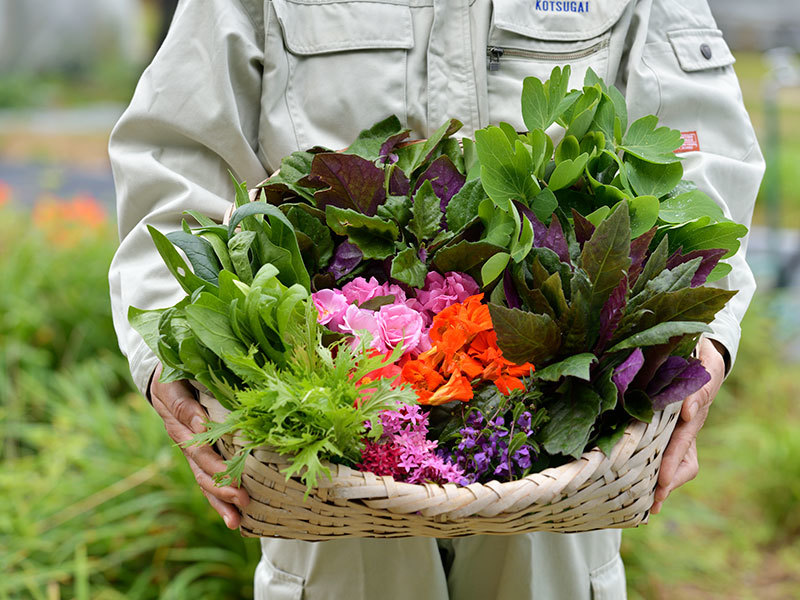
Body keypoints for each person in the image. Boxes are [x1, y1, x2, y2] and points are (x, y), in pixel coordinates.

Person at [108, 0, 763, 597]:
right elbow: (171, 158)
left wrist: (700, 343)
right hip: (327, 474)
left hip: (564, 468)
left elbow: (702, 162)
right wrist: (174, 361)